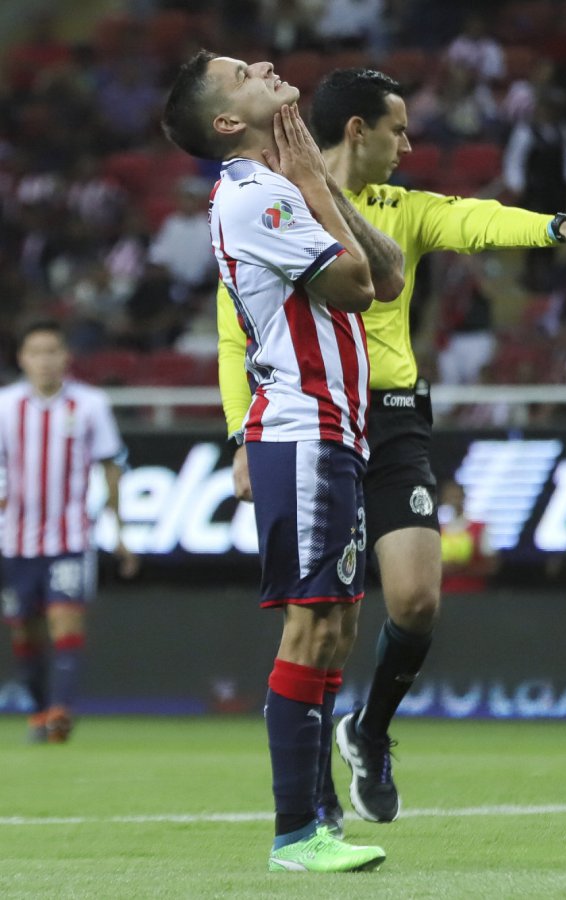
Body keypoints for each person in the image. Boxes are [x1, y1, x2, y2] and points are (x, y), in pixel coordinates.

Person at [214, 68, 566, 832]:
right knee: (322, 618)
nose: (408, 145)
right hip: (311, 416)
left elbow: (475, 220)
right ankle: (314, 802)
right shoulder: (271, 203)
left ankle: (368, 733)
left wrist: (553, 227)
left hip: (392, 416)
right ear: (358, 131)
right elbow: (234, 332)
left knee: (417, 599)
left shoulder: (403, 209)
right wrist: (242, 434)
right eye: (397, 130)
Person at [163, 50, 392, 872]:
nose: (262, 64)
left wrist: (317, 181)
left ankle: (318, 823)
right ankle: (298, 833)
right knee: (312, 624)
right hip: (301, 428)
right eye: (240, 73)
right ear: (229, 122)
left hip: (333, 431)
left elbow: (391, 277)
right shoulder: (255, 195)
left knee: (337, 625)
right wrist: (309, 185)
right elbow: (355, 287)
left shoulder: (281, 184)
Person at [0, 321, 137, 744]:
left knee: (65, 620)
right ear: (22, 359)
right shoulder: (5, 406)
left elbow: (111, 465)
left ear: (65, 357)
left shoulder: (90, 404)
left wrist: (118, 530)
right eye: (36, 352)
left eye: (52, 351)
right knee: (24, 630)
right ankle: (40, 711)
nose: (44, 360)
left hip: (70, 539)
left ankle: (60, 711)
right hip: (14, 540)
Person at [438, 479, 498, 594]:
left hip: (474, 595)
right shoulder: (438, 531)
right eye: (450, 497)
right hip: (446, 595)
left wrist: (462, 568)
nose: (454, 501)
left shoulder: (479, 529)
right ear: (444, 499)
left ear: (463, 498)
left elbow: (492, 565)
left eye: (457, 496)